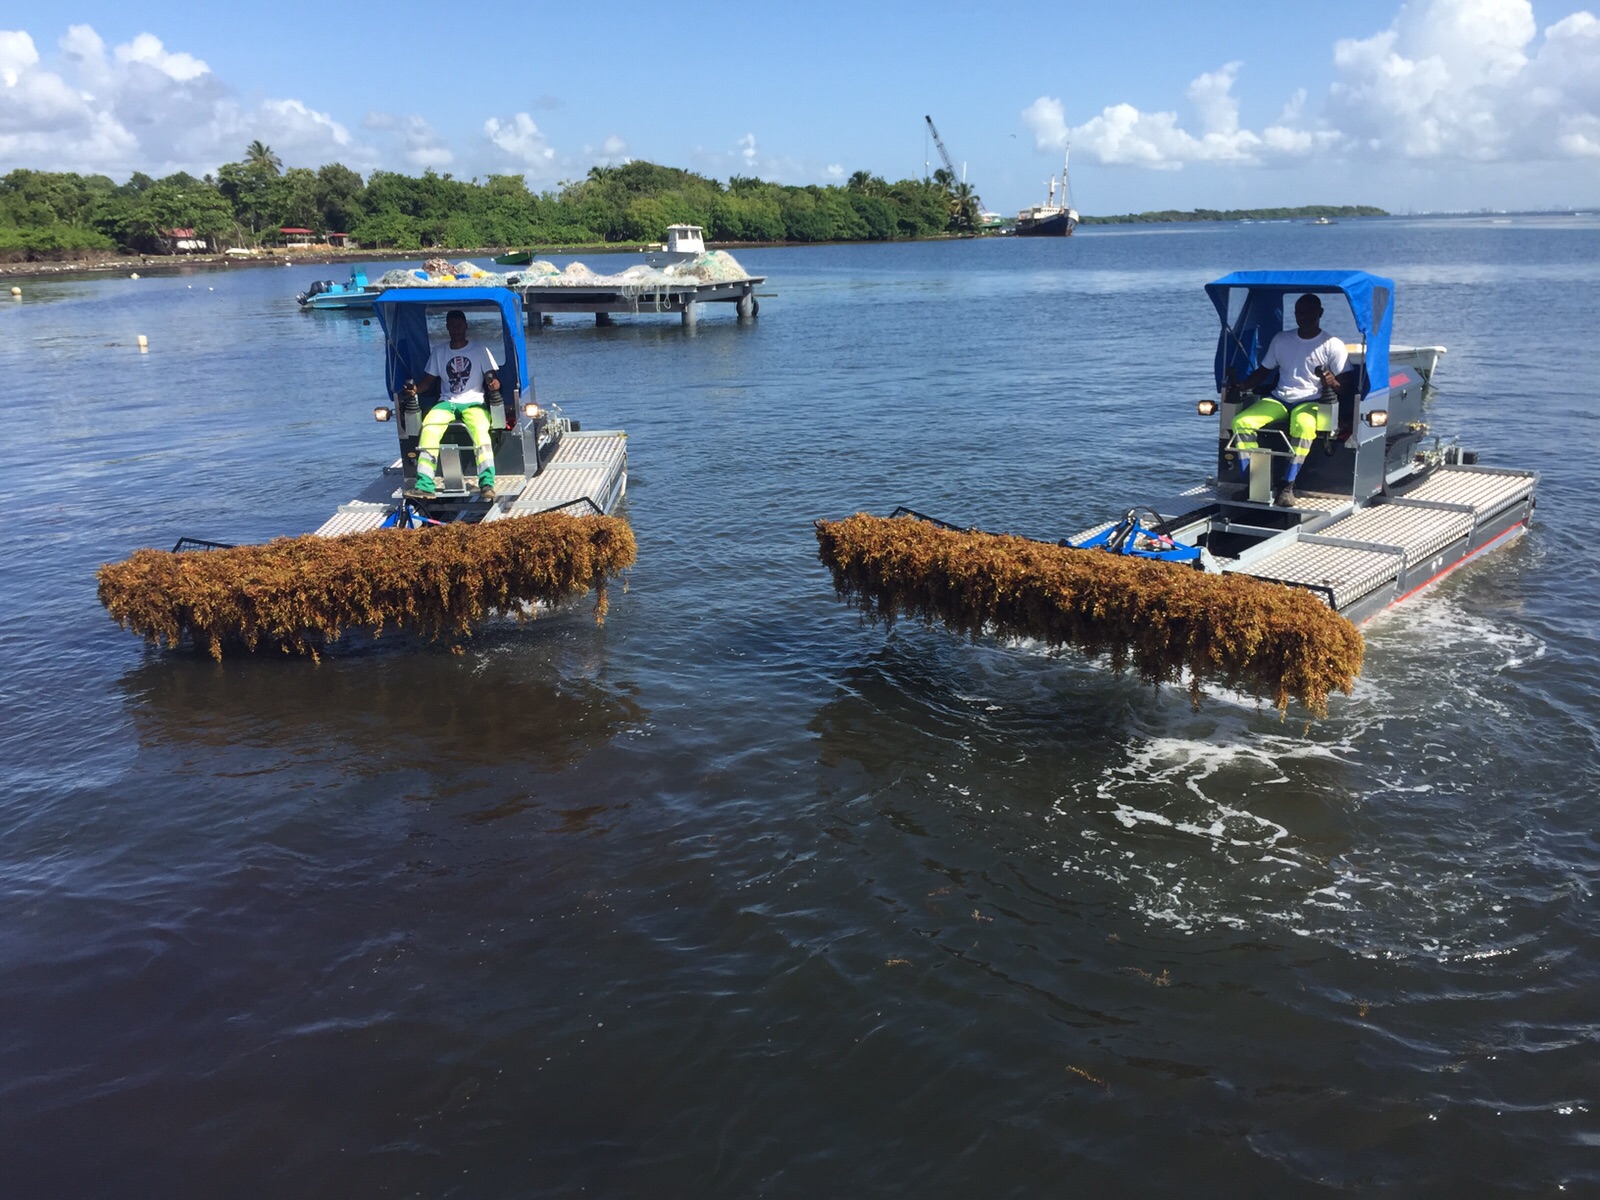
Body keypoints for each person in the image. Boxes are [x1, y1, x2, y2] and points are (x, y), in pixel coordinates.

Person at [1230, 293, 1349, 507]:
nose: (1303, 317)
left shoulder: (1332, 344)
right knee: (1241, 422)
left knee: (1304, 425)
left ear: (1320, 313)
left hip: (1311, 401)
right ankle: (1255, 481)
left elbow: (1345, 387)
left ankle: (1287, 485)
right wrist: (1242, 386)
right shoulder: (1282, 339)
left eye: (1309, 312)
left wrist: (1331, 382)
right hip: (1279, 398)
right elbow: (1263, 371)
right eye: (1299, 312)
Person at [403, 309, 502, 503]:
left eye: (459, 325)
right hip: (447, 402)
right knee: (429, 427)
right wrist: (414, 390)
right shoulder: (439, 352)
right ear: (447, 327)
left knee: (481, 432)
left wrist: (495, 384)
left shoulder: (481, 350)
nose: (456, 329)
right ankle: (425, 486)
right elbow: (427, 382)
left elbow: (494, 379)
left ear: (466, 326)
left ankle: (487, 484)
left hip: (474, 403)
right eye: (452, 325)